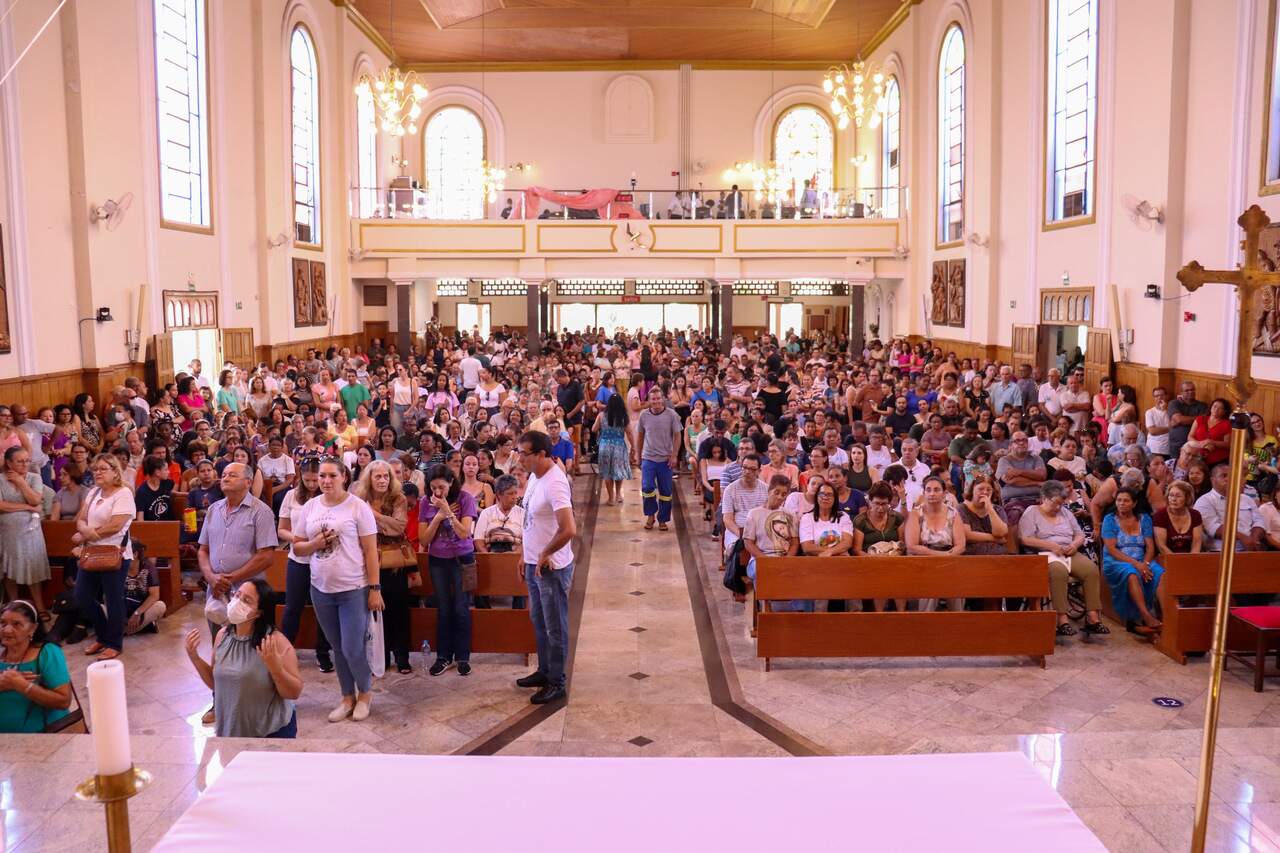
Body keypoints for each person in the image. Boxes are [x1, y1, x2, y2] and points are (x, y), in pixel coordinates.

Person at [293, 458, 381, 722]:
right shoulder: (310, 507)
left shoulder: (357, 507)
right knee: (337, 647)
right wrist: (315, 543)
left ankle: (365, 693)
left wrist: (375, 588)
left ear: (344, 476)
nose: (326, 481)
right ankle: (347, 697)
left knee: (353, 647)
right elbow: (297, 547)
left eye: (332, 475)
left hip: (353, 587)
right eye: (322, 476)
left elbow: (370, 551)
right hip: (320, 588)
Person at [196, 461, 279, 724]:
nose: (225, 478)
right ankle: (218, 701)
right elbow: (203, 549)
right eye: (224, 475)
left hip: (248, 594)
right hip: (217, 591)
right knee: (220, 646)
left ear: (247, 482)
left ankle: (257, 702)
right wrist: (211, 577)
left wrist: (232, 578)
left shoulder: (260, 511)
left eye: (232, 475)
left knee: (252, 648)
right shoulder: (214, 509)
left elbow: (267, 556)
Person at [184, 578, 302, 738]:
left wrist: (276, 669)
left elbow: (294, 692)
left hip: (270, 734)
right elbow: (216, 683)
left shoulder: (276, 642)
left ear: (259, 612)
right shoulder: (222, 636)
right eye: (237, 595)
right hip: (231, 731)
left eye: (246, 600)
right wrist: (195, 658)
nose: (237, 602)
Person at [515, 430, 576, 705]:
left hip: (551, 567)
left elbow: (568, 529)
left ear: (541, 454)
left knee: (555, 627)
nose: (519, 458)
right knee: (538, 621)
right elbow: (530, 519)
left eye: (524, 454)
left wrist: (545, 553)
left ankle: (557, 682)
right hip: (533, 563)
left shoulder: (555, 483)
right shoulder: (534, 477)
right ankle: (544, 670)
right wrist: (524, 555)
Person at [1018, 480, 1109, 638]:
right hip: (1044, 553)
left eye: (1061, 503)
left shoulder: (1065, 512)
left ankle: (1092, 616)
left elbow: (1079, 534)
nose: (1059, 507)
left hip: (1068, 551)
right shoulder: (1031, 512)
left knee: (1091, 570)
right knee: (1058, 572)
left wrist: (1074, 545)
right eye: (1056, 503)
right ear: (1044, 498)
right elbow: (1025, 539)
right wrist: (1051, 545)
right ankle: (1062, 618)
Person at [354, 461, 416, 675]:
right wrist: (381, 522)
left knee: (398, 609)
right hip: (366, 560)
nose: (382, 480)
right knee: (373, 611)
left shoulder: (398, 498)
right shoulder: (360, 499)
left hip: (393, 562)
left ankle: (402, 657)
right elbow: (357, 527)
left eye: (386, 476)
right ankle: (380, 655)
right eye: (378, 476)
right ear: (369, 478)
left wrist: (374, 515)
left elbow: (398, 527)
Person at [73, 454, 136, 660]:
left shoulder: (124, 493)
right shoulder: (93, 493)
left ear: (115, 471)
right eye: (95, 469)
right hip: (92, 552)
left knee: (113, 598)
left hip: (114, 553)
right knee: (81, 595)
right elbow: (80, 519)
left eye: (103, 469)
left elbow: (116, 525)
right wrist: (84, 530)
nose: (97, 472)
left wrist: (89, 532)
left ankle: (114, 643)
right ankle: (102, 635)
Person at [419, 464, 478, 676]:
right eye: (433, 487)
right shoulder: (425, 502)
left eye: (441, 487)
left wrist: (448, 513)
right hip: (438, 560)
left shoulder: (465, 499)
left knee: (461, 607)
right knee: (443, 608)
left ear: (451, 482)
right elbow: (424, 539)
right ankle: (443, 656)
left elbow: (464, 534)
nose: (437, 492)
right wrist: (437, 516)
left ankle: (463, 657)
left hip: (462, 558)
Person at [277, 460, 333, 672]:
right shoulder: (291, 496)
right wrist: (299, 540)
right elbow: (282, 529)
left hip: (322, 559)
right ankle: (285, 650)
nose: (311, 484)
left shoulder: (328, 497)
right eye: (307, 480)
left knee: (322, 609)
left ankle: (323, 653)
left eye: (315, 479)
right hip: (298, 559)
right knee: (293, 607)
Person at [0, 601, 72, 733]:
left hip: (45, 740)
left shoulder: (47, 653)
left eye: (16, 624)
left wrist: (22, 686)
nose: (7, 630)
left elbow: (64, 701)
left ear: (33, 628)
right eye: (3, 623)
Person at [1100, 488, 1164, 636]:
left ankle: (1167, 616)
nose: (1121, 503)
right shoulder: (1110, 519)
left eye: (1126, 500)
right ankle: (1145, 616)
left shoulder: (1144, 518)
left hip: (1142, 559)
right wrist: (1137, 565)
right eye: (1119, 500)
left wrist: (1145, 564)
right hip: (1116, 560)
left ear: (1134, 503)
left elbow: (1150, 547)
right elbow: (1111, 549)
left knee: (1160, 573)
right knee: (1132, 573)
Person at [0, 447, 50, 621]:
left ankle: (40, 606)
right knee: (9, 569)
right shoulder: (0, 480)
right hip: (7, 533)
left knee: (33, 568)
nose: (25, 464)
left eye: (27, 460)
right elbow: (1, 506)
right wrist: (27, 507)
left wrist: (21, 483)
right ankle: (12, 606)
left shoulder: (34, 478)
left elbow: (36, 499)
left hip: (31, 533)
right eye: (20, 461)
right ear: (9, 463)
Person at [904, 475, 966, 612]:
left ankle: (958, 621)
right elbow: (911, 546)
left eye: (937, 490)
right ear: (924, 492)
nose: (932, 493)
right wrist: (940, 556)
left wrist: (947, 557)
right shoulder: (916, 514)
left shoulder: (953, 513)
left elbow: (961, 545)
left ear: (944, 493)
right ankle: (924, 624)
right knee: (932, 583)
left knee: (956, 584)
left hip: (949, 559)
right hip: (923, 560)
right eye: (928, 490)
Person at [635, 387, 682, 532]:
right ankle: (650, 515)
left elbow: (677, 436)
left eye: (658, 399)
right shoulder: (644, 416)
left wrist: (674, 455)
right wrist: (638, 455)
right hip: (648, 458)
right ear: (649, 401)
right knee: (647, 487)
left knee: (666, 491)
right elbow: (640, 436)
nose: (656, 401)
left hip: (665, 459)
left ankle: (663, 519)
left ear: (662, 399)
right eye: (653, 399)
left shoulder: (671, 415)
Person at [1194, 463, 1266, 551]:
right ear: (1212, 480)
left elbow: (1259, 521)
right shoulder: (1204, 501)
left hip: (1250, 549)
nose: (1228, 479)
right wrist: (1244, 538)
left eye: (1231, 476)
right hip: (1219, 552)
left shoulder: (1247, 499)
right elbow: (1213, 528)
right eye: (1223, 476)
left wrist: (1254, 539)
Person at [593, 392, 634, 505]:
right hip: (619, 445)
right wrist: (634, 447)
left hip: (605, 446)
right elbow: (629, 433)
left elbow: (594, 429)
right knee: (618, 470)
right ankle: (618, 495)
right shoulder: (623, 416)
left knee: (607, 472)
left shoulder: (601, 415)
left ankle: (610, 498)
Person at [959, 475, 1009, 557]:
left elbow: (1001, 533)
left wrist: (990, 508)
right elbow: (967, 535)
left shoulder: (997, 509)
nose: (985, 492)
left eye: (988, 489)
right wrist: (995, 539)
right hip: (972, 556)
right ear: (973, 490)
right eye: (981, 489)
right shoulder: (962, 508)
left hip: (998, 555)